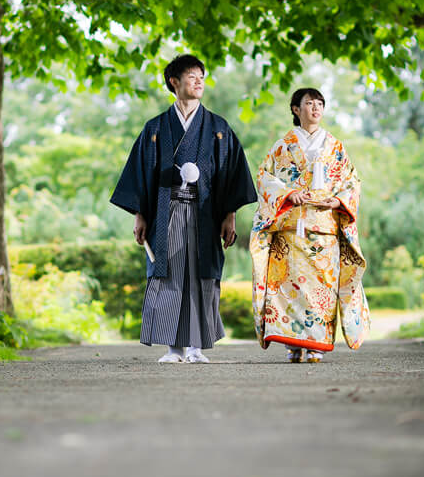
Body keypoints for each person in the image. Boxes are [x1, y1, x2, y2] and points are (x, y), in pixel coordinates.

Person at [111, 54, 256, 363]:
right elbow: (141, 173)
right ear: (174, 82)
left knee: (202, 276)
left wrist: (230, 215)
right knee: (168, 275)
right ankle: (174, 348)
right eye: (191, 76)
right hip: (167, 211)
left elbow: (231, 174)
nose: (199, 81)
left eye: (202, 76)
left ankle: (195, 347)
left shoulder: (218, 128)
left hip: (205, 213)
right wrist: (140, 215)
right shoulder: (156, 128)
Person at [250, 87, 370, 363]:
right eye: (309, 103)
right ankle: (293, 345)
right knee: (288, 288)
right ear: (296, 109)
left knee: (322, 288)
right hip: (291, 229)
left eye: (320, 104)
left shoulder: (335, 147)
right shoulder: (282, 146)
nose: (316, 108)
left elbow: (352, 181)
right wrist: (288, 194)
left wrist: (339, 201)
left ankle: (315, 345)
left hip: (324, 229)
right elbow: (264, 176)